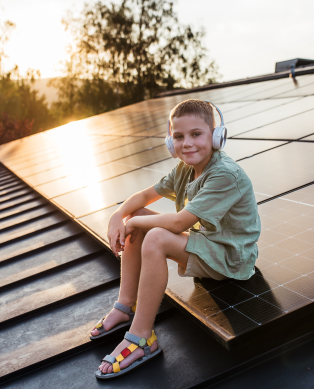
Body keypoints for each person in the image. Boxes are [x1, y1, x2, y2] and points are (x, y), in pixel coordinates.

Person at [92, 99, 261, 379]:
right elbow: (143, 197)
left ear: (216, 137)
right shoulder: (184, 168)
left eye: (197, 134)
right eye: (179, 136)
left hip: (231, 260)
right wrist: (119, 214)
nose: (187, 143)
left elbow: (179, 222)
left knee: (155, 235)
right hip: (207, 245)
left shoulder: (224, 175)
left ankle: (142, 338)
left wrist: (132, 221)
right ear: (171, 141)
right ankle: (125, 306)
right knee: (137, 216)